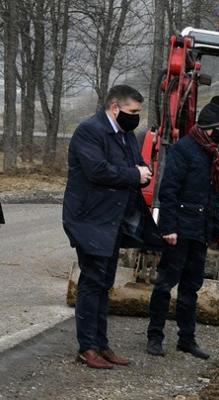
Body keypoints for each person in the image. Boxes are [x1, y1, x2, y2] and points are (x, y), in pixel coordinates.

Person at [63, 84, 162, 369]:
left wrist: (142, 172)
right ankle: (87, 348)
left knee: (104, 282)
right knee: (92, 282)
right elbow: (97, 171)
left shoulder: (126, 135)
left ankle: (101, 344)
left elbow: (138, 164)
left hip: (112, 220)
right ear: (115, 108)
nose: (136, 117)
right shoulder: (89, 131)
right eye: (133, 112)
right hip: (88, 220)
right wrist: (134, 174)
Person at [146, 102, 219, 360]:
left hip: (200, 232)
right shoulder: (184, 150)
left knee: (190, 289)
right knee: (164, 286)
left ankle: (186, 339)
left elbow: (214, 197)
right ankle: (155, 337)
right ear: (209, 129)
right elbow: (168, 191)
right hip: (179, 232)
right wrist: (168, 228)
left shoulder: (211, 153)